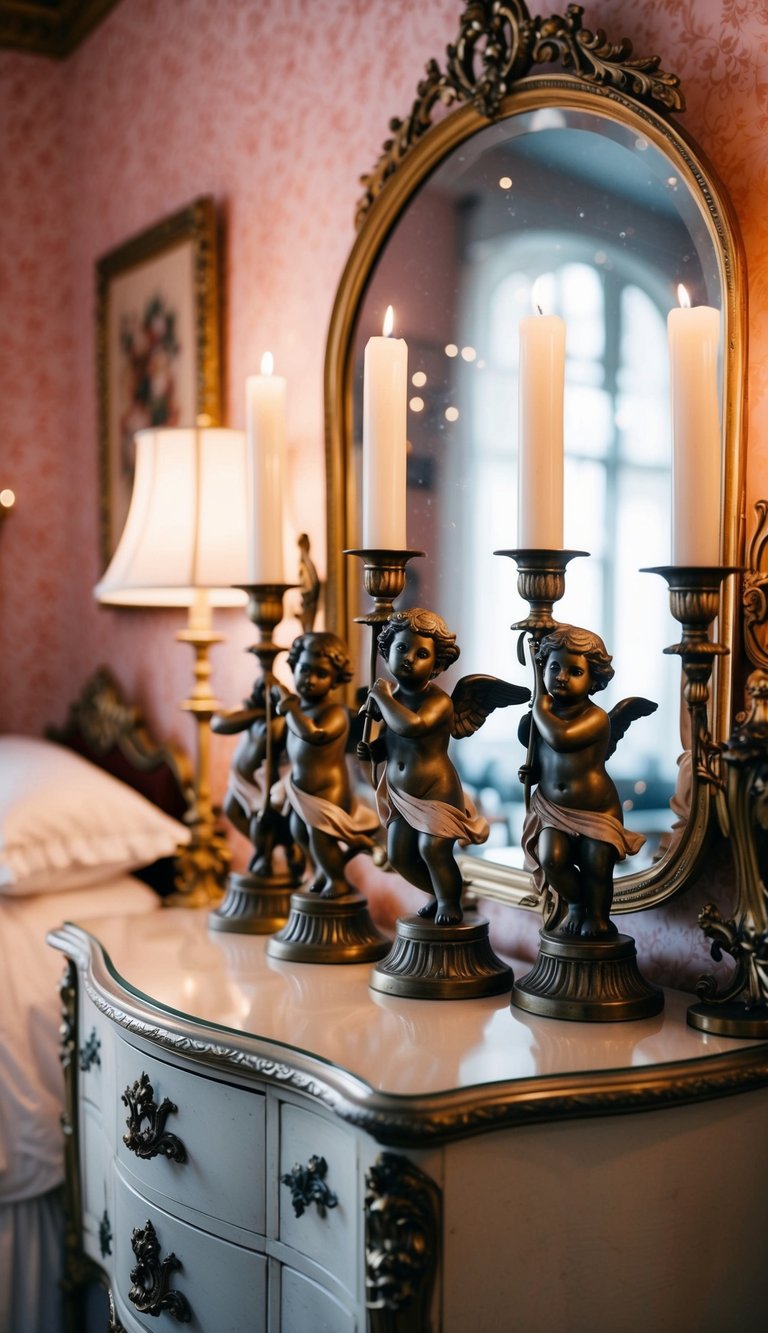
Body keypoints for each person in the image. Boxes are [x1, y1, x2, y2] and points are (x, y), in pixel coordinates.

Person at [359, 607, 529, 925]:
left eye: (421, 653)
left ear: (436, 665)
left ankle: (451, 901)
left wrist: (381, 697)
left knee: (433, 850)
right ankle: (441, 894)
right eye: (401, 647)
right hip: (401, 795)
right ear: (386, 652)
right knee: (398, 855)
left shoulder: (438, 702)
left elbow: (411, 726)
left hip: (435, 793)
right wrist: (372, 750)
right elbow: (393, 740)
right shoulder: (392, 698)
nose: (409, 657)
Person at [519, 624, 655, 939]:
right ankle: (577, 906)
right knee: (551, 858)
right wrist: (532, 773)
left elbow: (560, 738)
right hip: (553, 809)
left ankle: (597, 916)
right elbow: (544, 759)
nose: (562, 676)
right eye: (554, 667)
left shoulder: (595, 718)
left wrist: (539, 705)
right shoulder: (540, 719)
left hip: (597, 812)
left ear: (593, 678)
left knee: (596, 867)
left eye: (574, 671)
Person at [277, 632, 379, 898]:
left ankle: (337, 880)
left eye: (320, 674)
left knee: (322, 838)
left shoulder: (335, 713)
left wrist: (290, 710)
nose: (309, 679)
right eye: (304, 669)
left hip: (328, 793)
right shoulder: (300, 709)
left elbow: (313, 734)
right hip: (302, 791)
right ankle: (323, 871)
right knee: (299, 831)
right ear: (294, 667)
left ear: (335, 680)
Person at [211, 679, 303, 882]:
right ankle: (268, 850)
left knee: (262, 820)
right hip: (241, 780)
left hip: (263, 780)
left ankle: (267, 853)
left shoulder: (281, 721)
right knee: (232, 811)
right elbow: (218, 724)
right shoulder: (250, 714)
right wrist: (256, 712)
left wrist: (280, 710)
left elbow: (275, 749)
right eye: (260, 689)